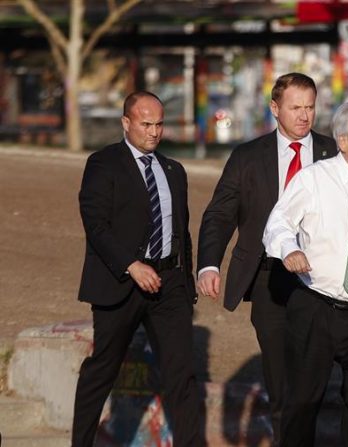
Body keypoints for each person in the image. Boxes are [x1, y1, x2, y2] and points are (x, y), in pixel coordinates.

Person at [196, 72, 337, 445]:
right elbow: (220, 214)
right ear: (275, 108)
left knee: (310, 380)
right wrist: (209, 263)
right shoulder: (247, 157)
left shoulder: (333, 153)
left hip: (318, 281)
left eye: (310, 107)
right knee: (281, 382)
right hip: (267, 280)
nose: (304, 116)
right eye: (295, 108)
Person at [264, 101, 348, 447]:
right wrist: (289, 250)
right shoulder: (313, 180)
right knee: (303, 403)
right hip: (316, 309)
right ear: (342, 141)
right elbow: (276, 223)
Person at [72, 91, 201, 446]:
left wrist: (185, 284)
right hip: (120, 283)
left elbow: (181, 230)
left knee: (181, 375)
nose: (154, 132)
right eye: (146, 124)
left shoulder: (174, 170)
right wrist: (132, 265)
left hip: (169, 285)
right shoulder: (103, 163)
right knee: (102, 371)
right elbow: (95, 224)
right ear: (126, 123)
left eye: (159, 124)